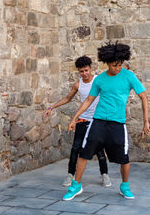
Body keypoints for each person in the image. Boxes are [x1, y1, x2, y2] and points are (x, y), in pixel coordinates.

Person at [63, 42, 150, 201]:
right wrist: (75, 118)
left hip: (117, 123)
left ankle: (125, 186)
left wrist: (146, 122)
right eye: (113, 65)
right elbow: (89, 100)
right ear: (107, 63)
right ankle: (76, 185)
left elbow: (143, 97)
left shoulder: (129, 76)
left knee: (124, 157)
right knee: (84, 153)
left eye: (119, 64)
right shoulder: (100, 79)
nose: (116, 68)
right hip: (98, 122)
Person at [44, 56, 111, 188]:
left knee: (99, 149)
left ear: (91, 68)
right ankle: (70, 174)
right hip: (83, 118)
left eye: (86, 70)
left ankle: (104, 175)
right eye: (81, 71)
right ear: (78, 72)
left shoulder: (99, 80)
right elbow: (68, 98)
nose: (84, 74)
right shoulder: (78, 84)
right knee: (76, 147)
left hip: (98, 120)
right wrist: (52, 107)